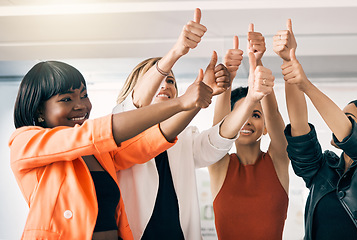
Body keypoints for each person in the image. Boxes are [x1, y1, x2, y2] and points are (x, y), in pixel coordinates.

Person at [9, 60, 213, 240]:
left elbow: (147, 143)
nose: (81, 105)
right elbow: (94, 134)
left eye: (84, 95)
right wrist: (180, 103)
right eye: (66, 99)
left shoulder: (98, 152)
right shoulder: (25, 143)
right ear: (39, 111)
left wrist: (191, 104)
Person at [113, 8, 253, 240]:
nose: (166, 84)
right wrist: (177, 52)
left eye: (171, 80)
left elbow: (217, 142)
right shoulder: (119, 124)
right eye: (158, 79)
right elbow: (135, 106)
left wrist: (244, 93)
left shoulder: (185, 137)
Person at [278, 19, 357, 240]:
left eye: (347, 118)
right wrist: (288, 62)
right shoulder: (324, 170)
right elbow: (298, 126)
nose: (335, 122)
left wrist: (307, 85)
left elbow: (352, 137)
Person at [209, 24, 289, 240]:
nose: (247, 120)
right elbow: (219, 129)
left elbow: (273, 114)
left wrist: (259, 64)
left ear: (264, 128)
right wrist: (228, 77)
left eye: (255, 114)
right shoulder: (219, 165)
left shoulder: (278, 160)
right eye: (241, 114)